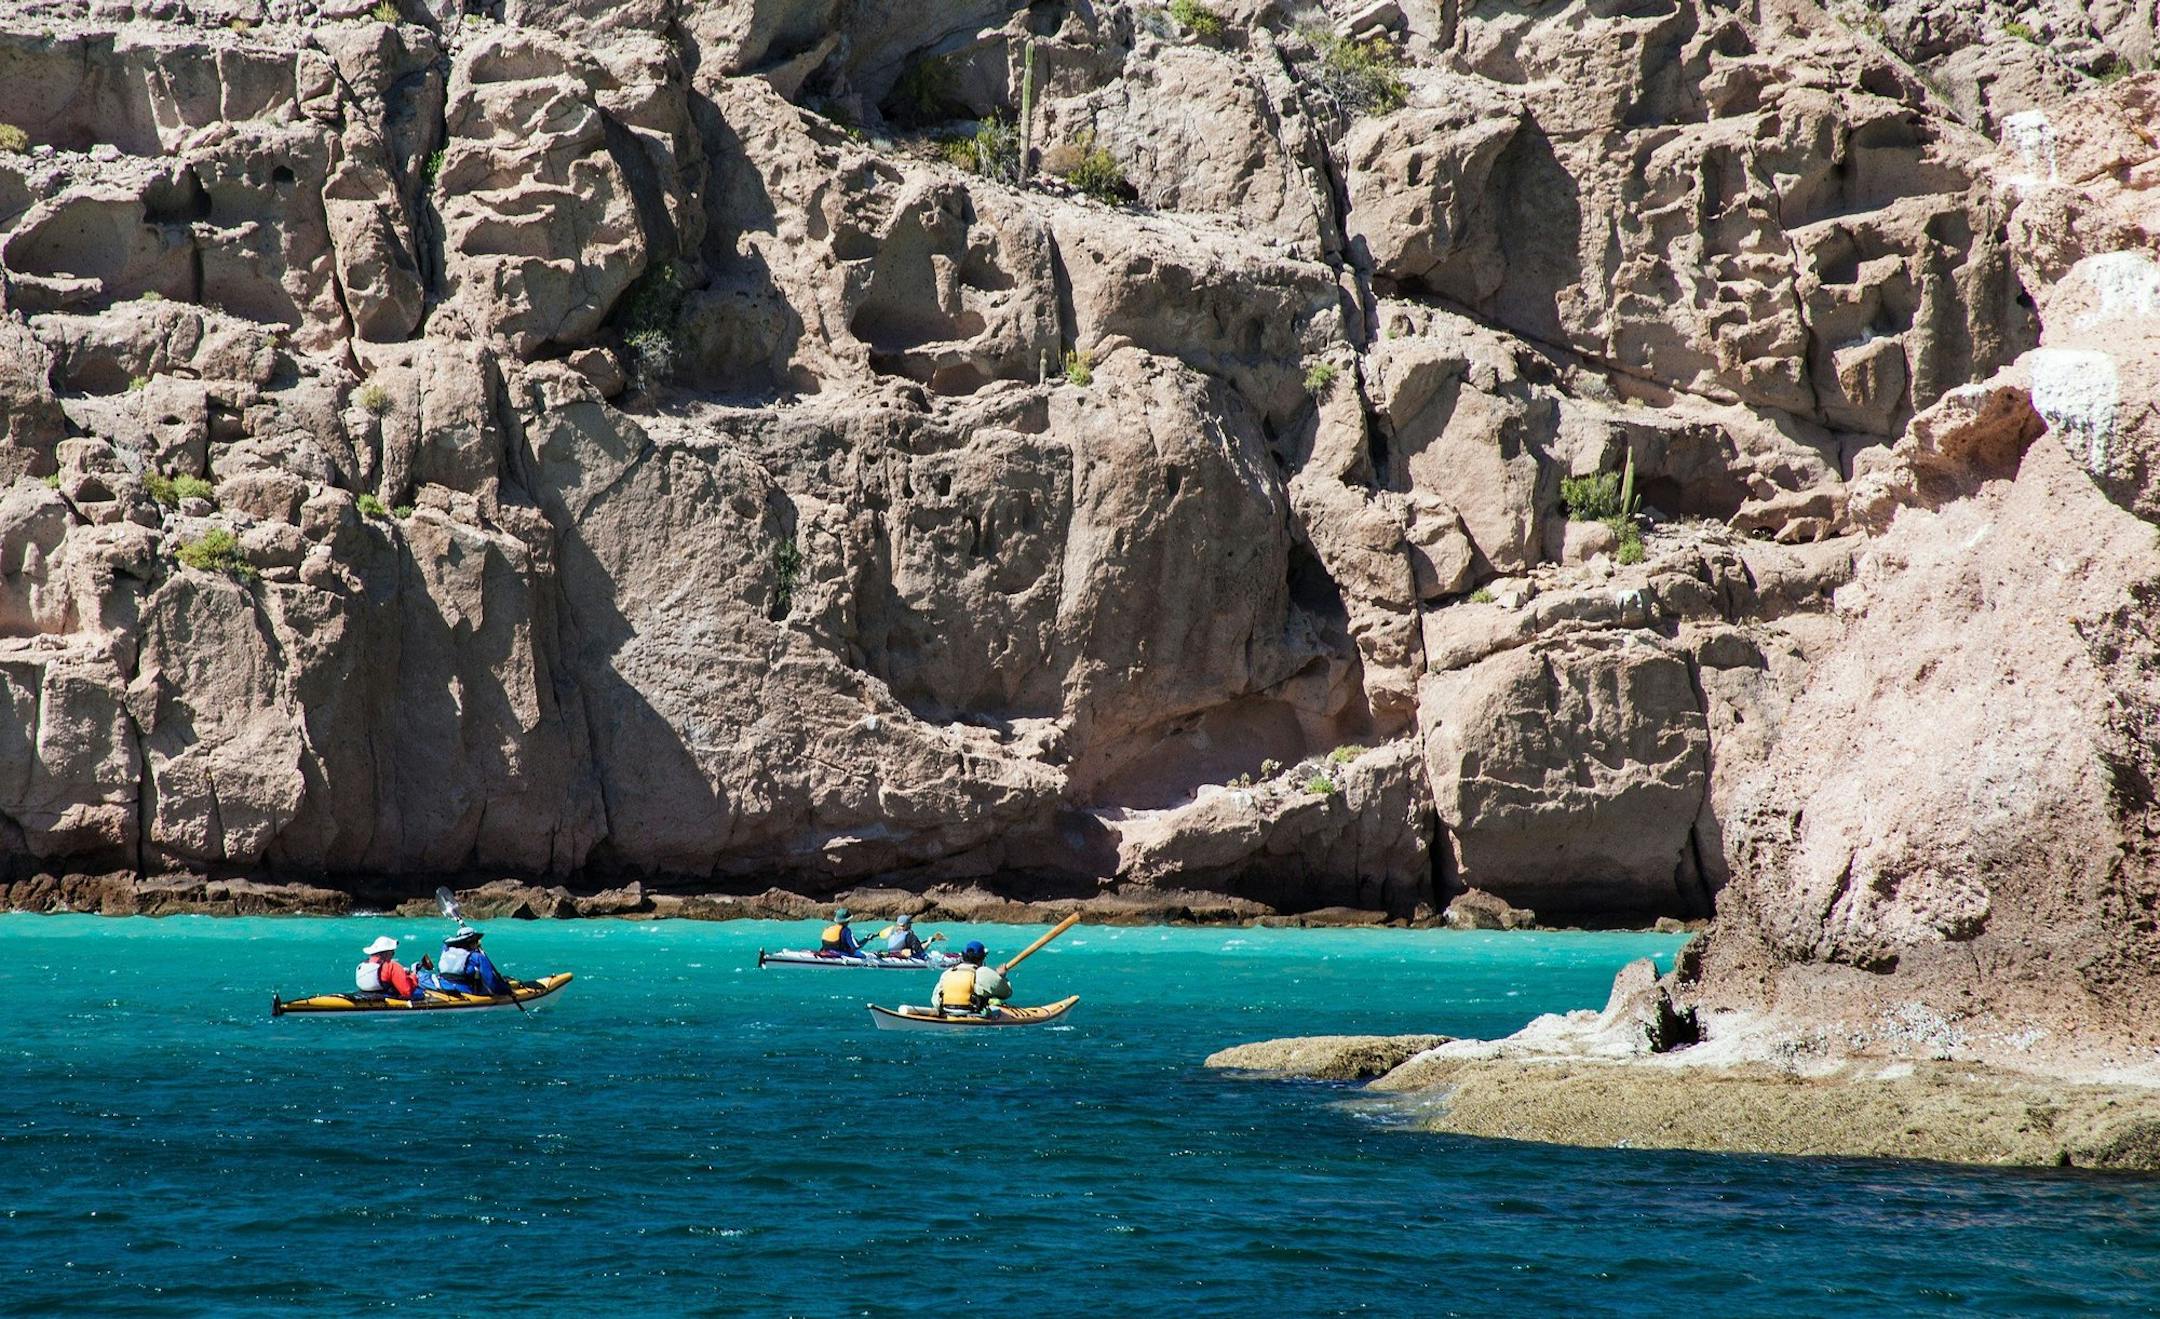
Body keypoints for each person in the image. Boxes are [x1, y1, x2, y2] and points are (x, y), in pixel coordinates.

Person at [932, 940, 1012, 1016]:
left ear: (963, 956)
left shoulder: (947, 973)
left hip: (947, 1011)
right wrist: (1001, 977)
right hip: (972, 1012)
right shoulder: (983, 972)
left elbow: (935, 1001)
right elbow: (1006, 993)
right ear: (982, 958)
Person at [430, 926, 513, 996]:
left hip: (443, 985)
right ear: (471, 942)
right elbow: (490, 983)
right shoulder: (477, 957)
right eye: (476, 941)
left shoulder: (445, 950)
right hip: (465, 990)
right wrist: (506, 990)